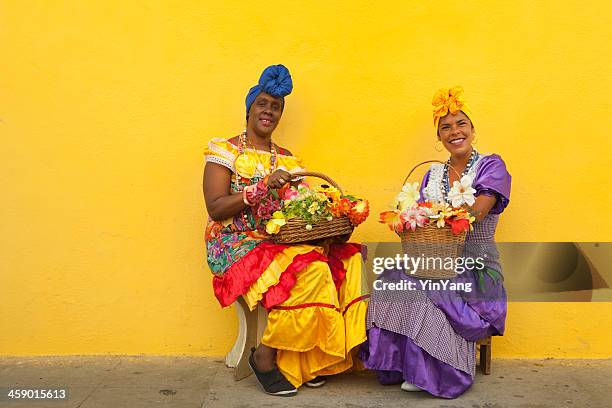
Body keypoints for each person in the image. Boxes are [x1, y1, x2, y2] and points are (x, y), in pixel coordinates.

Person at [203, 65, 368, 396]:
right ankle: (265, 356)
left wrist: (330, 211)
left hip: (279, 239)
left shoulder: (289, 160)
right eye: (263, 103)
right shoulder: (226, 151)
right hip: (235, 243)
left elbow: (297, 207)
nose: (269, 111)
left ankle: (303, 361)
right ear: (250, 107)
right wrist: (260, 187)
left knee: (346, 261)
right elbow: (216, 207)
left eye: (276, 107)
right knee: (311, 270)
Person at [361, 86, 511, 398]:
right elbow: (418, 214)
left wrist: (442, 216)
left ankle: (441, 370)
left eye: (461, 124)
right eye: (446, 127)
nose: (455, 132)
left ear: (473, 129)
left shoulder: (491, 166)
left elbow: (478, 212)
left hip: (476, 265)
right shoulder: (432, 173)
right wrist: (407, 219)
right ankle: (409, 364)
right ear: (439, 136)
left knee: (434, 285)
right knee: (394, 280)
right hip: (433, 258)